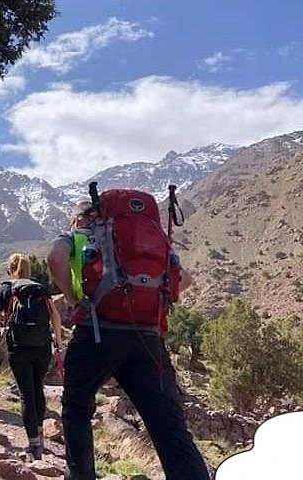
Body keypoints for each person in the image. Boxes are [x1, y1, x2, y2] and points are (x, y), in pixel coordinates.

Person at [47, 199, 209, 480]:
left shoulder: (78, 236)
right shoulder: (143, 238)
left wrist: (74, 300)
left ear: (76, 220)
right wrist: (152, 304)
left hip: (96, 330)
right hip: (147, 337)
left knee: (77, 408)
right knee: (169, 426)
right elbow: (185, 279)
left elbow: (55, 258)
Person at [0, 253, 63, 460]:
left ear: (10, 269)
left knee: (26, 394)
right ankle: (40, 438)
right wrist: (59, 344)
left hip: (18, 347)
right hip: (42, 346)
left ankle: (33, 445)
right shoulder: (40, 288)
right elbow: (55, 315)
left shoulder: (6, 288)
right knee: (38, 389)